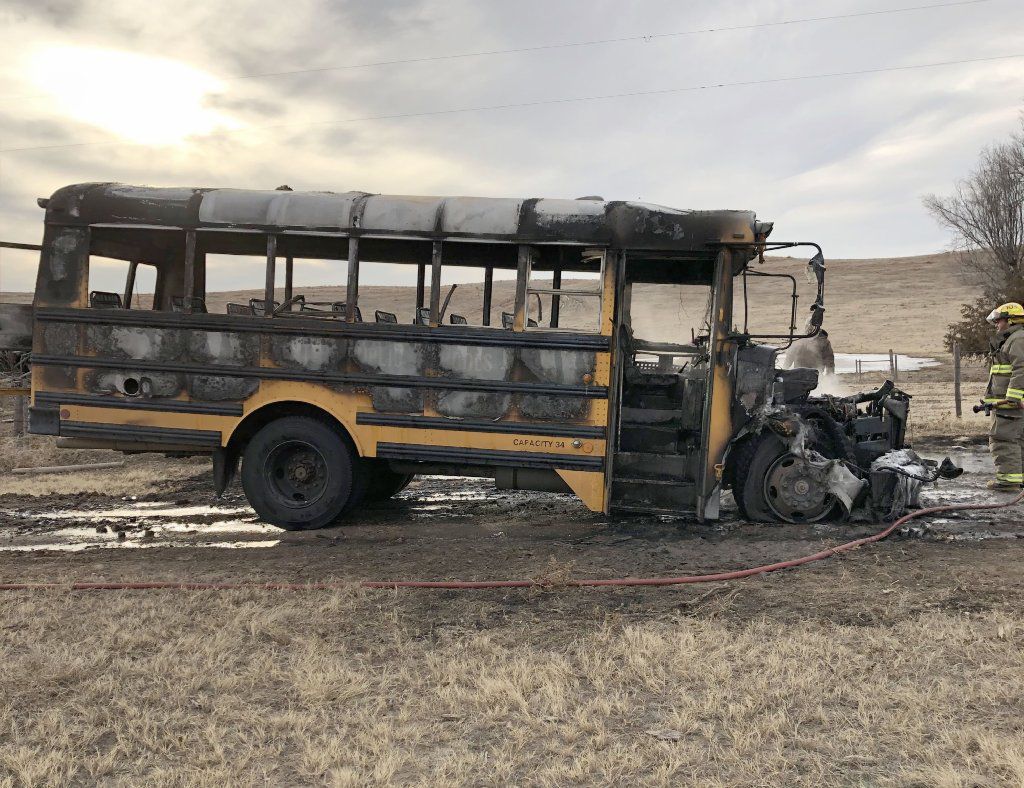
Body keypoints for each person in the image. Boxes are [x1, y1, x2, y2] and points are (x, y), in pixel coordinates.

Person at [984, 302, 1024, 490]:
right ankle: (1018, 480)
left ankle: (1008, 482)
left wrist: (1013, 398)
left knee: (1003, 439)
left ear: (1010, 320)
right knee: (1017, 439)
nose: (997, 325)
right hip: (1008, 403)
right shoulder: (1014, 339)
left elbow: (1021, 369)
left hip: (1010, 404)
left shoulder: (1017, 340)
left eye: (999, 321)